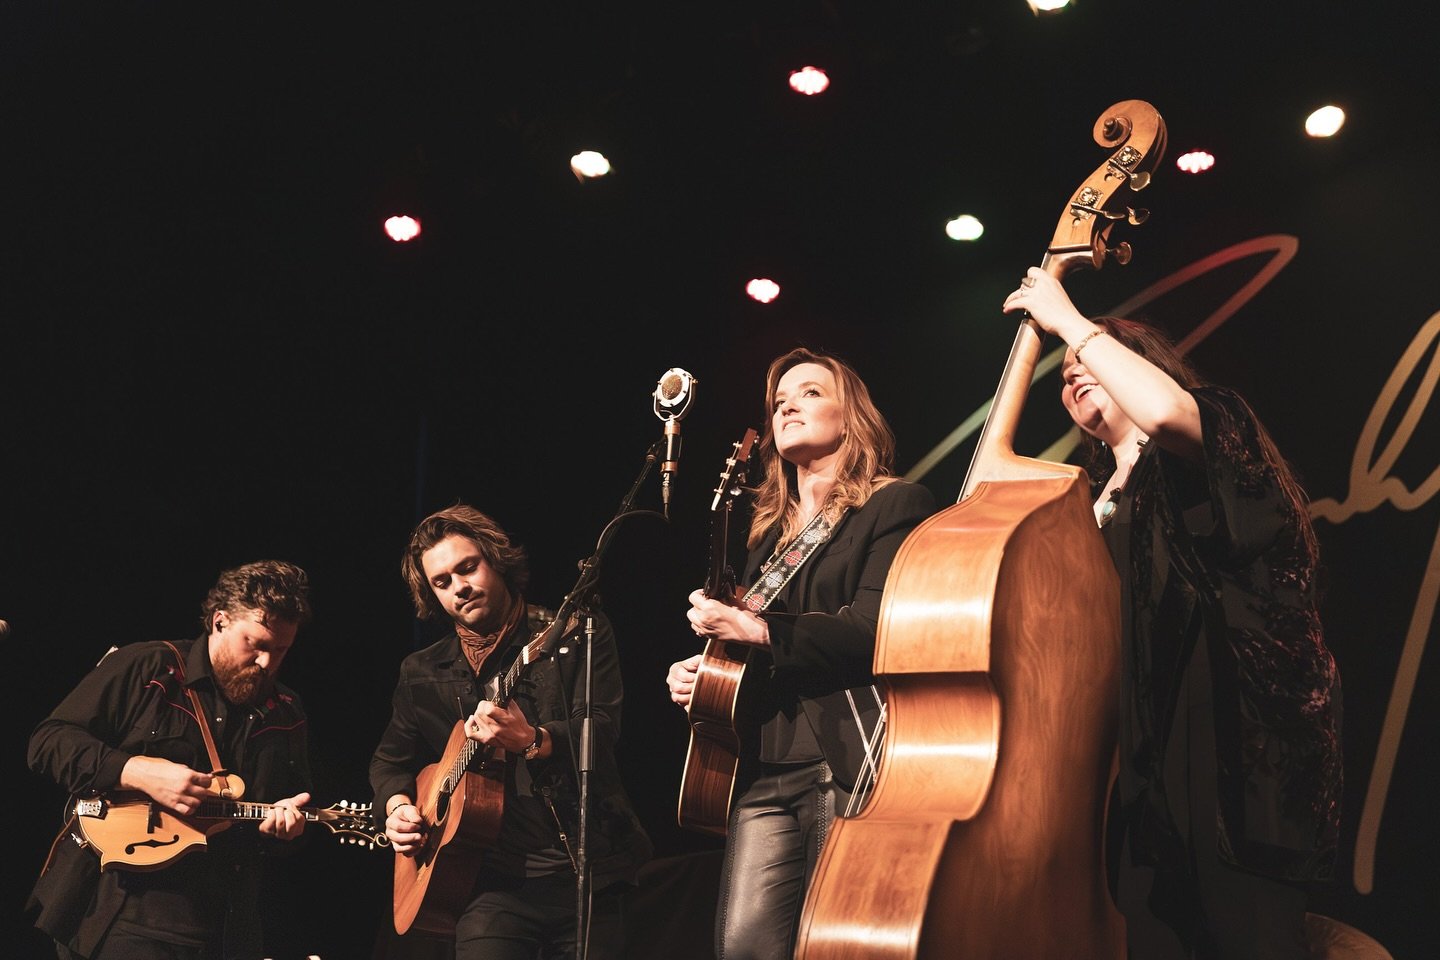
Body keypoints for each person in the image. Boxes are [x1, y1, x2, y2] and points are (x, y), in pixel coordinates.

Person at [1003, 269, 1343, 959]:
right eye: (1064, 376)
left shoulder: (1212, 426)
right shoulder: (1084, 504)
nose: (1074, 373)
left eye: (1088, 361)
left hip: (1226, 750)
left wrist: (1070, 322)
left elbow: (1162, 414)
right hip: (1137, 764)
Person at [665, 347, 937, 960]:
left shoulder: (895, 506)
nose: (788, 404)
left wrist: (758, 632)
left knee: (829, 947)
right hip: (759, 766)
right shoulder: (767, 538)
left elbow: (875, 631)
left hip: (842, 760)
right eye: (780, 400)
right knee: (743, 949)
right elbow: (747, 650)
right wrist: (705, 673)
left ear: (853, 416)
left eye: (810, 392)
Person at [371, 504, 653, 960]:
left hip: (589, 873)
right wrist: (398, 805)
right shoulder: (421, 671)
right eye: (442, 582)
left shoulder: (573, 634)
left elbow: (603, 730)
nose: (460, 587)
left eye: (468, 568)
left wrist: (533, 741)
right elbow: (389, 761)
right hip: (487, 884)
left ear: (495, 559)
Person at [26, 559, 316, 960]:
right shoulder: (147, 666)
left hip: (226, 925)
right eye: (257, 644)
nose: (267, 662)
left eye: (281, 650)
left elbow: (283, 809)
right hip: (121, 911)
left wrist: (285, 828)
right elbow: (48, 742)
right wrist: (135, 771)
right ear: (219, 621)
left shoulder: (287, 710)